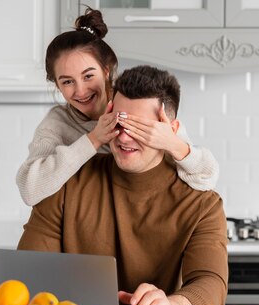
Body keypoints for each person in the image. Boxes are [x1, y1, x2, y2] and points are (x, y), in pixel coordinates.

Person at [17, 65, 228, 305]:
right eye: (119, 122)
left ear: (169, 131)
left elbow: (211, 281)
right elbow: (28, 272)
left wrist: (174, 304)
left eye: (140, 127)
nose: (124, 136)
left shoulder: (202, 203)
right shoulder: (65, 181)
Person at [16, 7, 219, 207]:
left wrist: (172, 143)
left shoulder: (138, 103)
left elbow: (207, 177)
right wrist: (94, 139)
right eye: (67, 81)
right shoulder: (58, 123)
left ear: (106, 71)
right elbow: (30, 190)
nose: (80, 91)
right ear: (57, 84)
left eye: (88, 76)